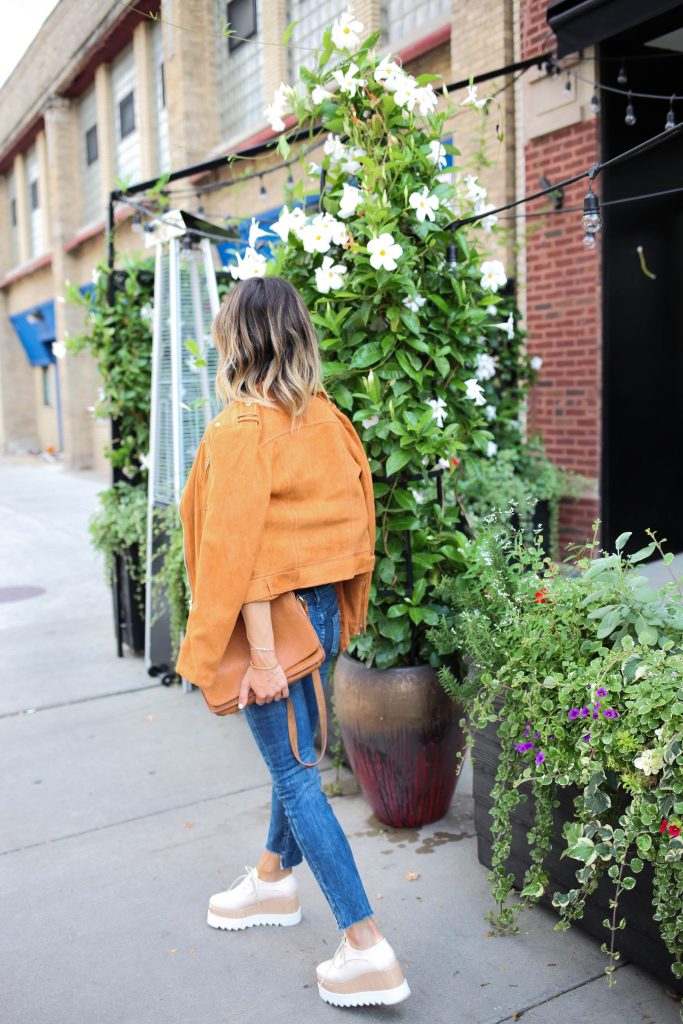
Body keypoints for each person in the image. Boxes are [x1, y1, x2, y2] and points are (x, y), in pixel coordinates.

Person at [176, 275, 410, 1009]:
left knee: (297, 771)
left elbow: (237, 553)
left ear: (236, 342)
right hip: (321, 609)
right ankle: (273, 880)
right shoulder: (327, 421)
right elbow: (354, 524)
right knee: (298, 754)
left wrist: (265, 657)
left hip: (271, 620)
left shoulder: (239, 430)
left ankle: (365, 944)